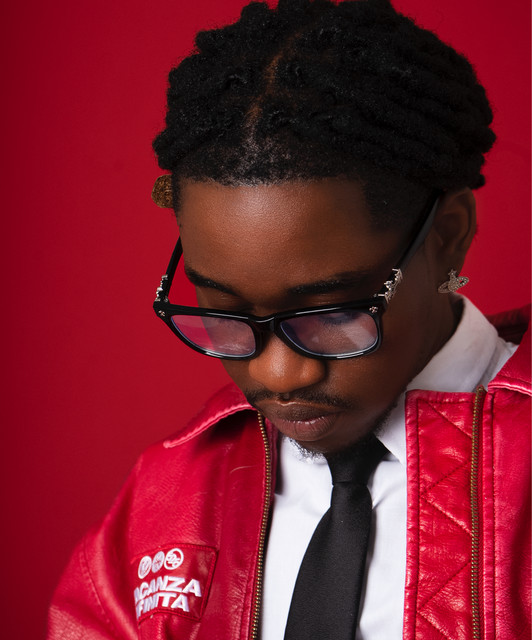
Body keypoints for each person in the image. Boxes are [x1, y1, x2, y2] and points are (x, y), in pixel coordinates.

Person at [48, 0, 530, 638]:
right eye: (225, 314)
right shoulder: (169, 496)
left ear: (447, 236)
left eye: (332, 313)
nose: (279, 375)